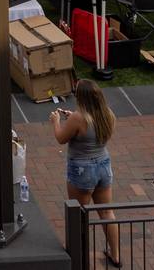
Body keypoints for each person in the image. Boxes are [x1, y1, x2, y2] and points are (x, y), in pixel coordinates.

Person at [54, 79, 120, 265]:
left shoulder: (78, 118)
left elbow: (61, 138)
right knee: (107, 212)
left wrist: (56, 121)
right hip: (104, 166)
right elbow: (90, 128)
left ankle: (78, 257)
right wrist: (72, 117)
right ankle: (115, 255)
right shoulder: (108, 114)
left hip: (82, 170)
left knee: (79, 214)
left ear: (81, 98)